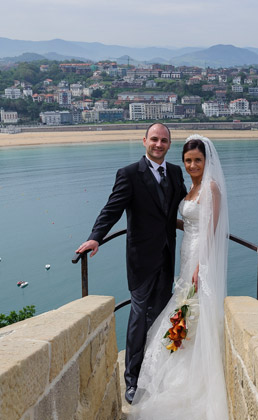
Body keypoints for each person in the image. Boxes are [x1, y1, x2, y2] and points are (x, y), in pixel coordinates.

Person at [75, 122, 187, 404]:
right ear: (144, 141)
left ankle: (157, 372)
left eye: (164, 140)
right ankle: (132, 380)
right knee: (138, 317)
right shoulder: (128, 174)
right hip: (140, 260)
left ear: (169, 144)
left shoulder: (175, 172)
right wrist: (95, 237)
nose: (158, 144)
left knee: (160, 316)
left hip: (167, 257)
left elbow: (184, 204)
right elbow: (112, 208)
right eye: (154, 139)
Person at [130, 135, 230, 419]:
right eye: (188, 160)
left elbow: (210, 230)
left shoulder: (211, 188)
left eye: (198, 160)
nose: (192, 165)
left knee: (193, 309)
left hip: (200, 257)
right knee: (184, 308)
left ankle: (192, 373)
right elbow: (189, 223)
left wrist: (201, 266)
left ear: (206, 161)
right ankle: (178, 357)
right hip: (186, 253)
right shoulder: (192, 187)